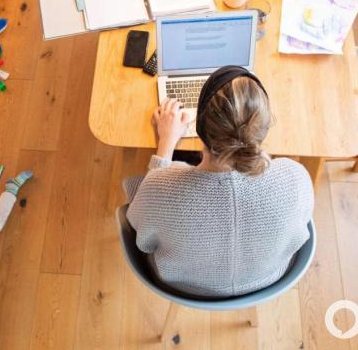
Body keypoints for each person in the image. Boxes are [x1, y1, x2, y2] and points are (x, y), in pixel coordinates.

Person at [124, 66, 314, 297]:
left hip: (184, 287)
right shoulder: (295, 178)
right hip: (267, 280)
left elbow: (141, 236)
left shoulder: (161, 188)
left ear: (199, 128)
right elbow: (299, 234)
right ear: (263, 129)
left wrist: (166, 143)